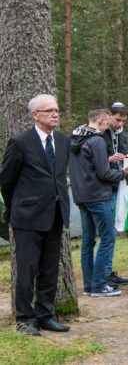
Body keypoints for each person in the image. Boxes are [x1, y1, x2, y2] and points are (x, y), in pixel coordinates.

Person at [0, 94, 71, 335]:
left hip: (55, 215)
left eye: (57, 110)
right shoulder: (20, 143)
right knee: (27, 270)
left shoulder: (63, 141)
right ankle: (25, 319)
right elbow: (6, 182)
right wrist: (16, 209)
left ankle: (44, 315)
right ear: (35, 115)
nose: (55, 114)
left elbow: (58, 177)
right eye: (49, 110)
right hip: (27, 218)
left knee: (50, 269)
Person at [69, 107, 128, 297]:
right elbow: (104, 173)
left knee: (87, 241)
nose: (108, 127)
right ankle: (99, 285)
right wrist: (122, 173)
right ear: (102, 120)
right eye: (108, 122)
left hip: (81, 196)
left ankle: (89, 285)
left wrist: (106, 160)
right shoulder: (97, 141)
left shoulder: (76, 139)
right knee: (108, 237)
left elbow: (88, 166)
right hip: (98, 196)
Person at [103, 102, 128, 287]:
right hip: (104, 188)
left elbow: (123, 156)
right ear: (108, 116)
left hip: (119, 184)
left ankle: (108, 272)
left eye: (123, 120)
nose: (120, 124)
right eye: (117, 119)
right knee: (107, 234)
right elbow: (93, 159)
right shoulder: (100, 133)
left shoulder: (122, 136)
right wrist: (109, 159)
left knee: (112, 232)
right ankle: (103, 274)